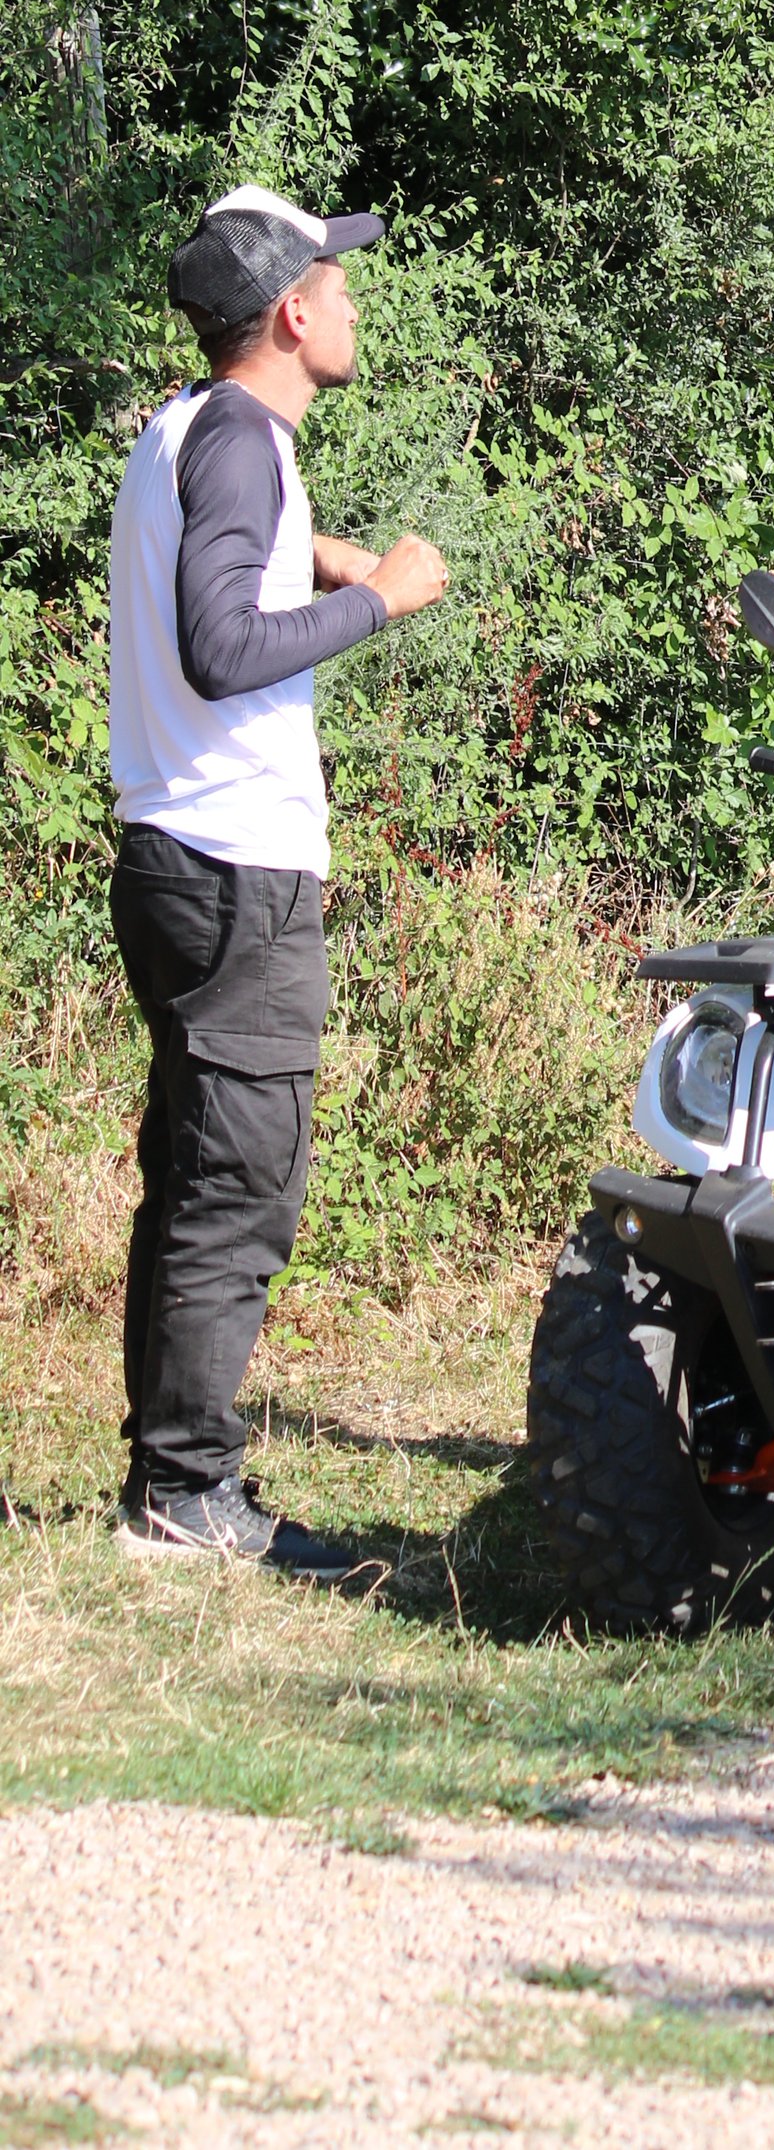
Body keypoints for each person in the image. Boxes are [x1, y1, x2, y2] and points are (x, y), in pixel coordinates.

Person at [107, 186, 450, 1564]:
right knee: (241, 1185)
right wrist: (380, 598)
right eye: (338, 284)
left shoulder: (187, 428)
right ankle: (189, 1495)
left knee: (190, 1174)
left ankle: (166, 1479)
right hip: (236, 870)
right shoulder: (246, 440)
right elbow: (218, 644)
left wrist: (318, 550)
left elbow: (220, 557)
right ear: (291, 313)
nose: (354, 302)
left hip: (171, 854)